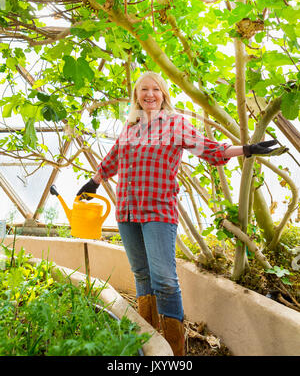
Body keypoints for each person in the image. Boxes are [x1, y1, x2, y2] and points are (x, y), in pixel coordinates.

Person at [77, 71, 287, 356]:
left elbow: (210, 150)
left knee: (163, 278)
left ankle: (175, 351)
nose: (149, 95)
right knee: (141, 275)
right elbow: (115, 155)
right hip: (126, 209)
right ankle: (149, 345)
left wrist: (246, 149)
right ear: (136, 96)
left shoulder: (175, 124)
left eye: (155, 90)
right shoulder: (132, 125)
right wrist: (96, 181)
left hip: (158, 211)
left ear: (163, 94)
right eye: (143, 90)